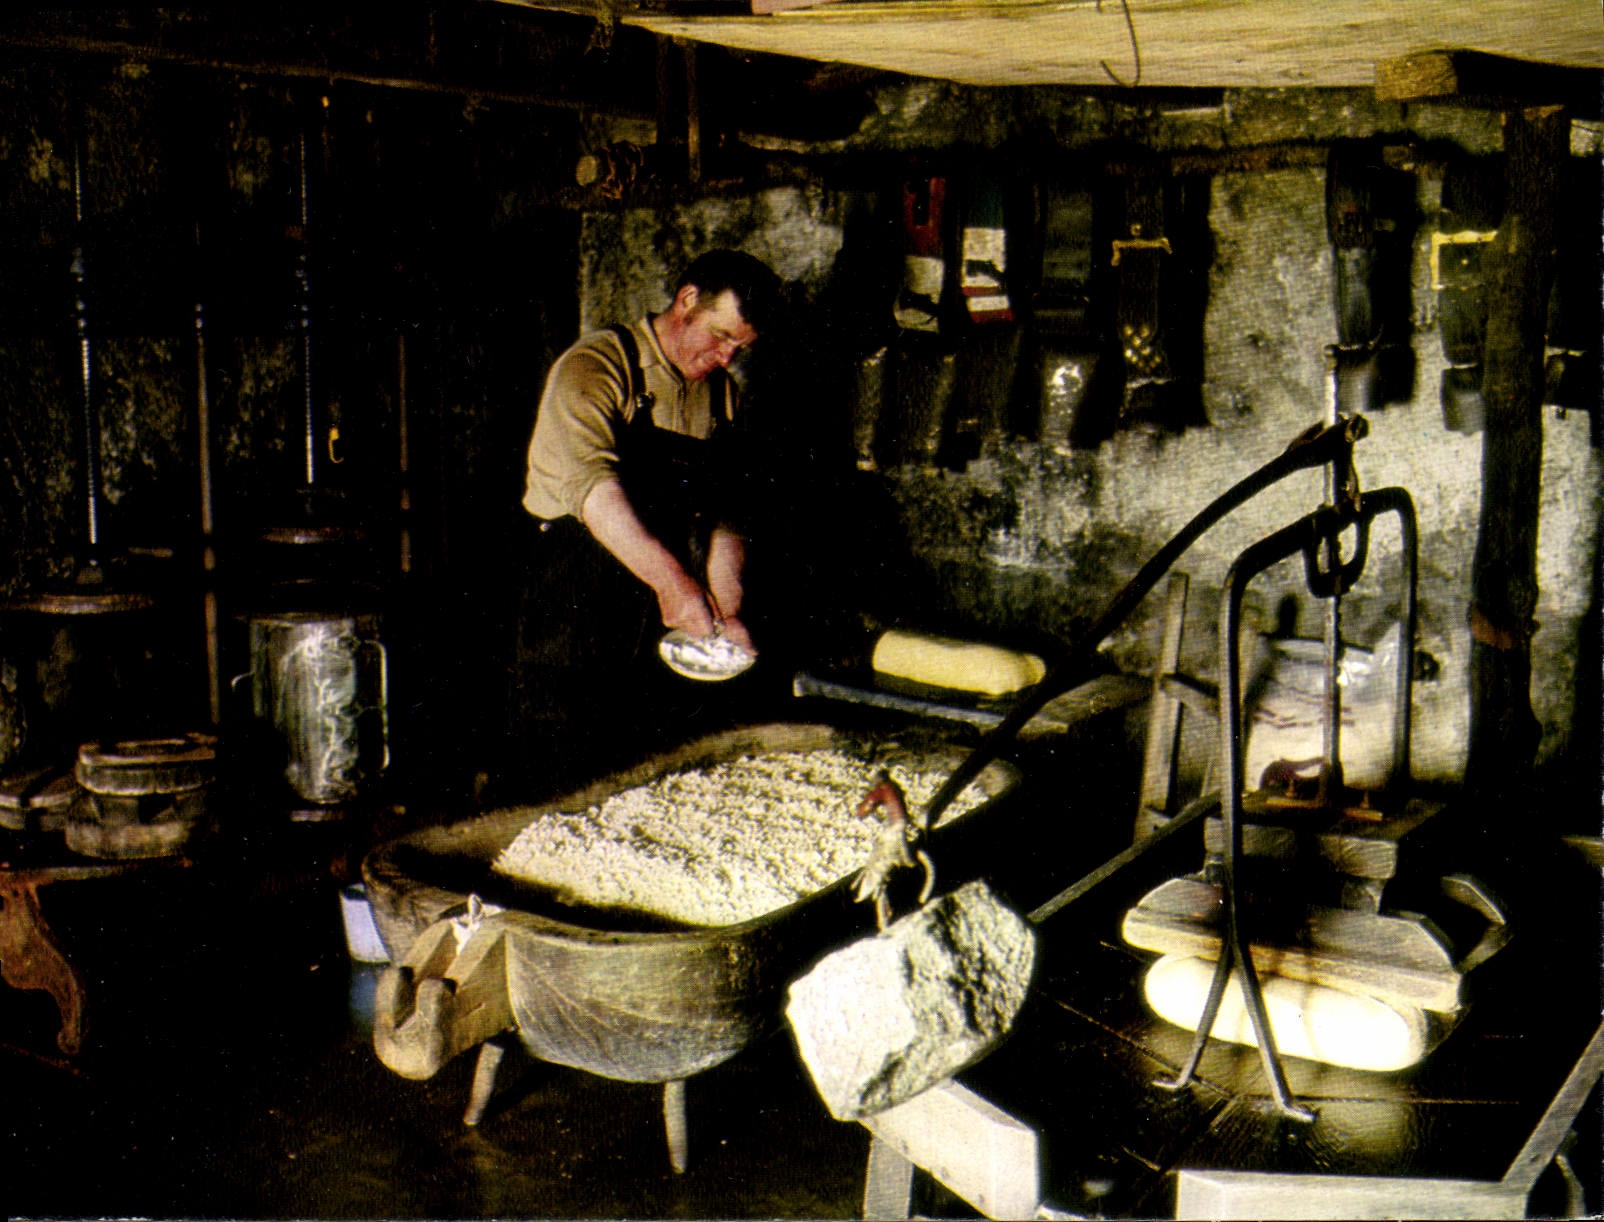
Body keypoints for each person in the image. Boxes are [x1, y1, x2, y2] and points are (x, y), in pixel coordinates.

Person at [509, 250, 783, 790]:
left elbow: (726, 513)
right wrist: (674, 585)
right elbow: (594, 490)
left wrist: (726, 611)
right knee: (558, 774)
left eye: (739, 347)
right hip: (571, 601)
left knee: (639, 768)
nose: (726, 357)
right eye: (721, 336)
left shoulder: (720, 394)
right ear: (686, 301)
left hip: (649, 611)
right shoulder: (597, 366)